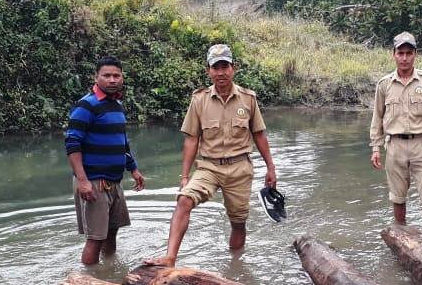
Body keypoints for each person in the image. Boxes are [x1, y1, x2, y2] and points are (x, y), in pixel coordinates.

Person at [145, 44, 277, 267]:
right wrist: (184, 176)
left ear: (233, 68)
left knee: (238, 222)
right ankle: (170, 258)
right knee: (184, 200)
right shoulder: (199, 100)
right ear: (209, 71)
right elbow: (191, 140)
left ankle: (236, 266)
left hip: (239, 168)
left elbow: (259, 134)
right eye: (216, 67)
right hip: (208, 167)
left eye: (225, 66)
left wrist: (271, 168)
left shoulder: (248, 99)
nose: (221, 72)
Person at [65, 56, 145, 265]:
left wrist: (133, 169)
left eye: (116, 75)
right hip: (93, 182)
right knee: (96, 239)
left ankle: (109, 272)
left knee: (111, 233)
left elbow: (121, 141)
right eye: (106, 75)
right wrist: (82, 181)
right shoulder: (86, 105)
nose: (112, 80)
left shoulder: (116, 105)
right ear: (96, 77)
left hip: (114, 182)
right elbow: (72, 143)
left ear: (122, 78)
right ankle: (89, 283)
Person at [369, 31, 422, 226]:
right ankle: (403, 239)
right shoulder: (384, 84)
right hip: (394, 146)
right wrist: (376, 148)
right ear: (393, 54)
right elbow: (377, 118)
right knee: (397, 197)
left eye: (409, 53)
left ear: (415, 54)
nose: (404, 58)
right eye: (400, 53)